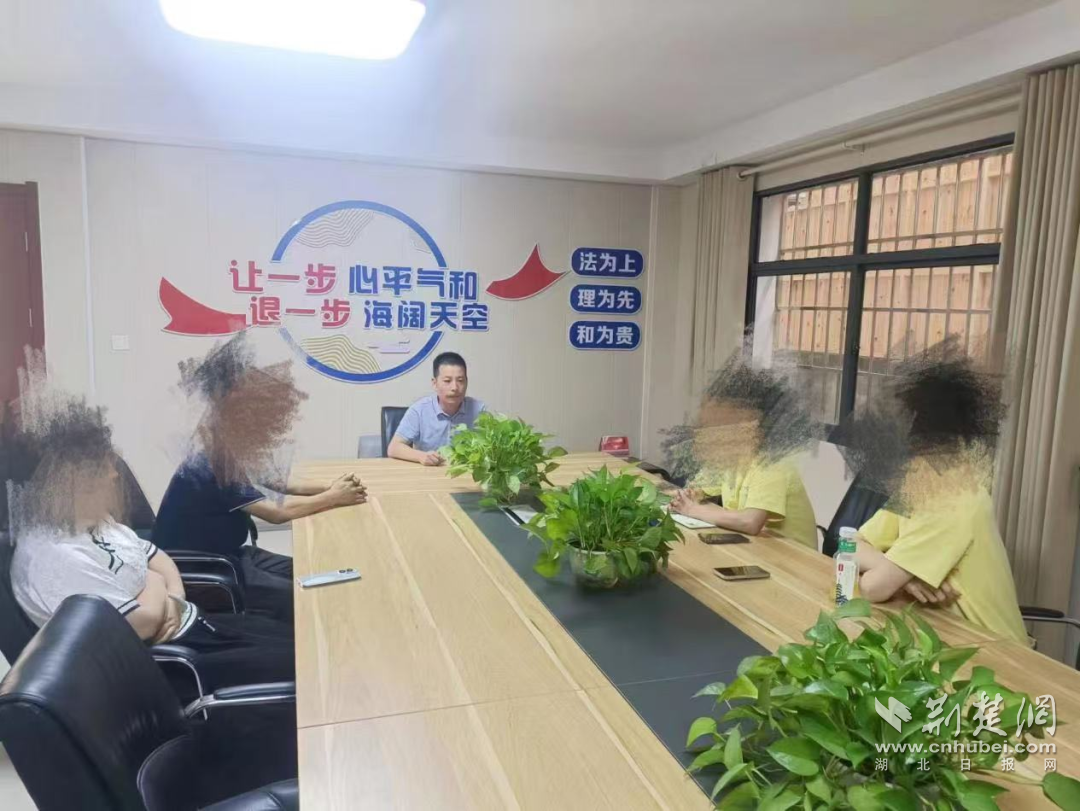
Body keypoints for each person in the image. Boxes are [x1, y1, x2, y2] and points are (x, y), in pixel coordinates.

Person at [4, 393, 295, 691]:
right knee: (299, 664)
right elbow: (144, 622)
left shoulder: (88, 519)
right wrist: (156, 584)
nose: (114, 474)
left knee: (294, 637)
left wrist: (172, 596)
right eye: (104, 466)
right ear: (71, 479)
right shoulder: (56, 559)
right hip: (176, 662)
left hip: (189, 622)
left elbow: (156, 556)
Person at [152, 336, 366, 622]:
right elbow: (276, 513)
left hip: (233, 553)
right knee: (303, 594)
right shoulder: (214, 458)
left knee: (315, 571)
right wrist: (334, 497)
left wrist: (333, 487)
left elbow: (279, 482)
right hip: (204, 566)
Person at [841, 349, 1028, 644]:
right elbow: (849, 546)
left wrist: (892, 574)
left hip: (995, 654)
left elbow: (873, 589)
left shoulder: (951, 499)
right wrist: (907, 577)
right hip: (945, 634)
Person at [667, 357, 818, 549]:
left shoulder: (773, 461)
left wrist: (692, 509)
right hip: (756, 548)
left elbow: (750, 522)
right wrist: (688, 495)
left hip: (794, 558)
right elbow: (698, 489)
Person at [388, 351, 486, 465]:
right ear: (435, 383)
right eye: (447, 381)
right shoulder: (419, 410)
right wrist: (421, 456)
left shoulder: (479, 410)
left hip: (465, 472)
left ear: (467, 382)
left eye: (460, 381)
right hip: (428, 472)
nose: (455, 387)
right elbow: (394, 448)